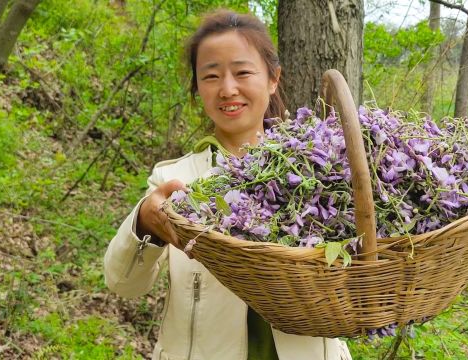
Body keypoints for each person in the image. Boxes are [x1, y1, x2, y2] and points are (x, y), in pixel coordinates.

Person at [104, 9, 352, 360]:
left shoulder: (318, 169)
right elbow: (123, 284)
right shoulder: (178, 182)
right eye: (211, 76)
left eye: (242, 72)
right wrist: (145, 221)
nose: (228, 89)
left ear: (273, 79)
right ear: (196, 87)